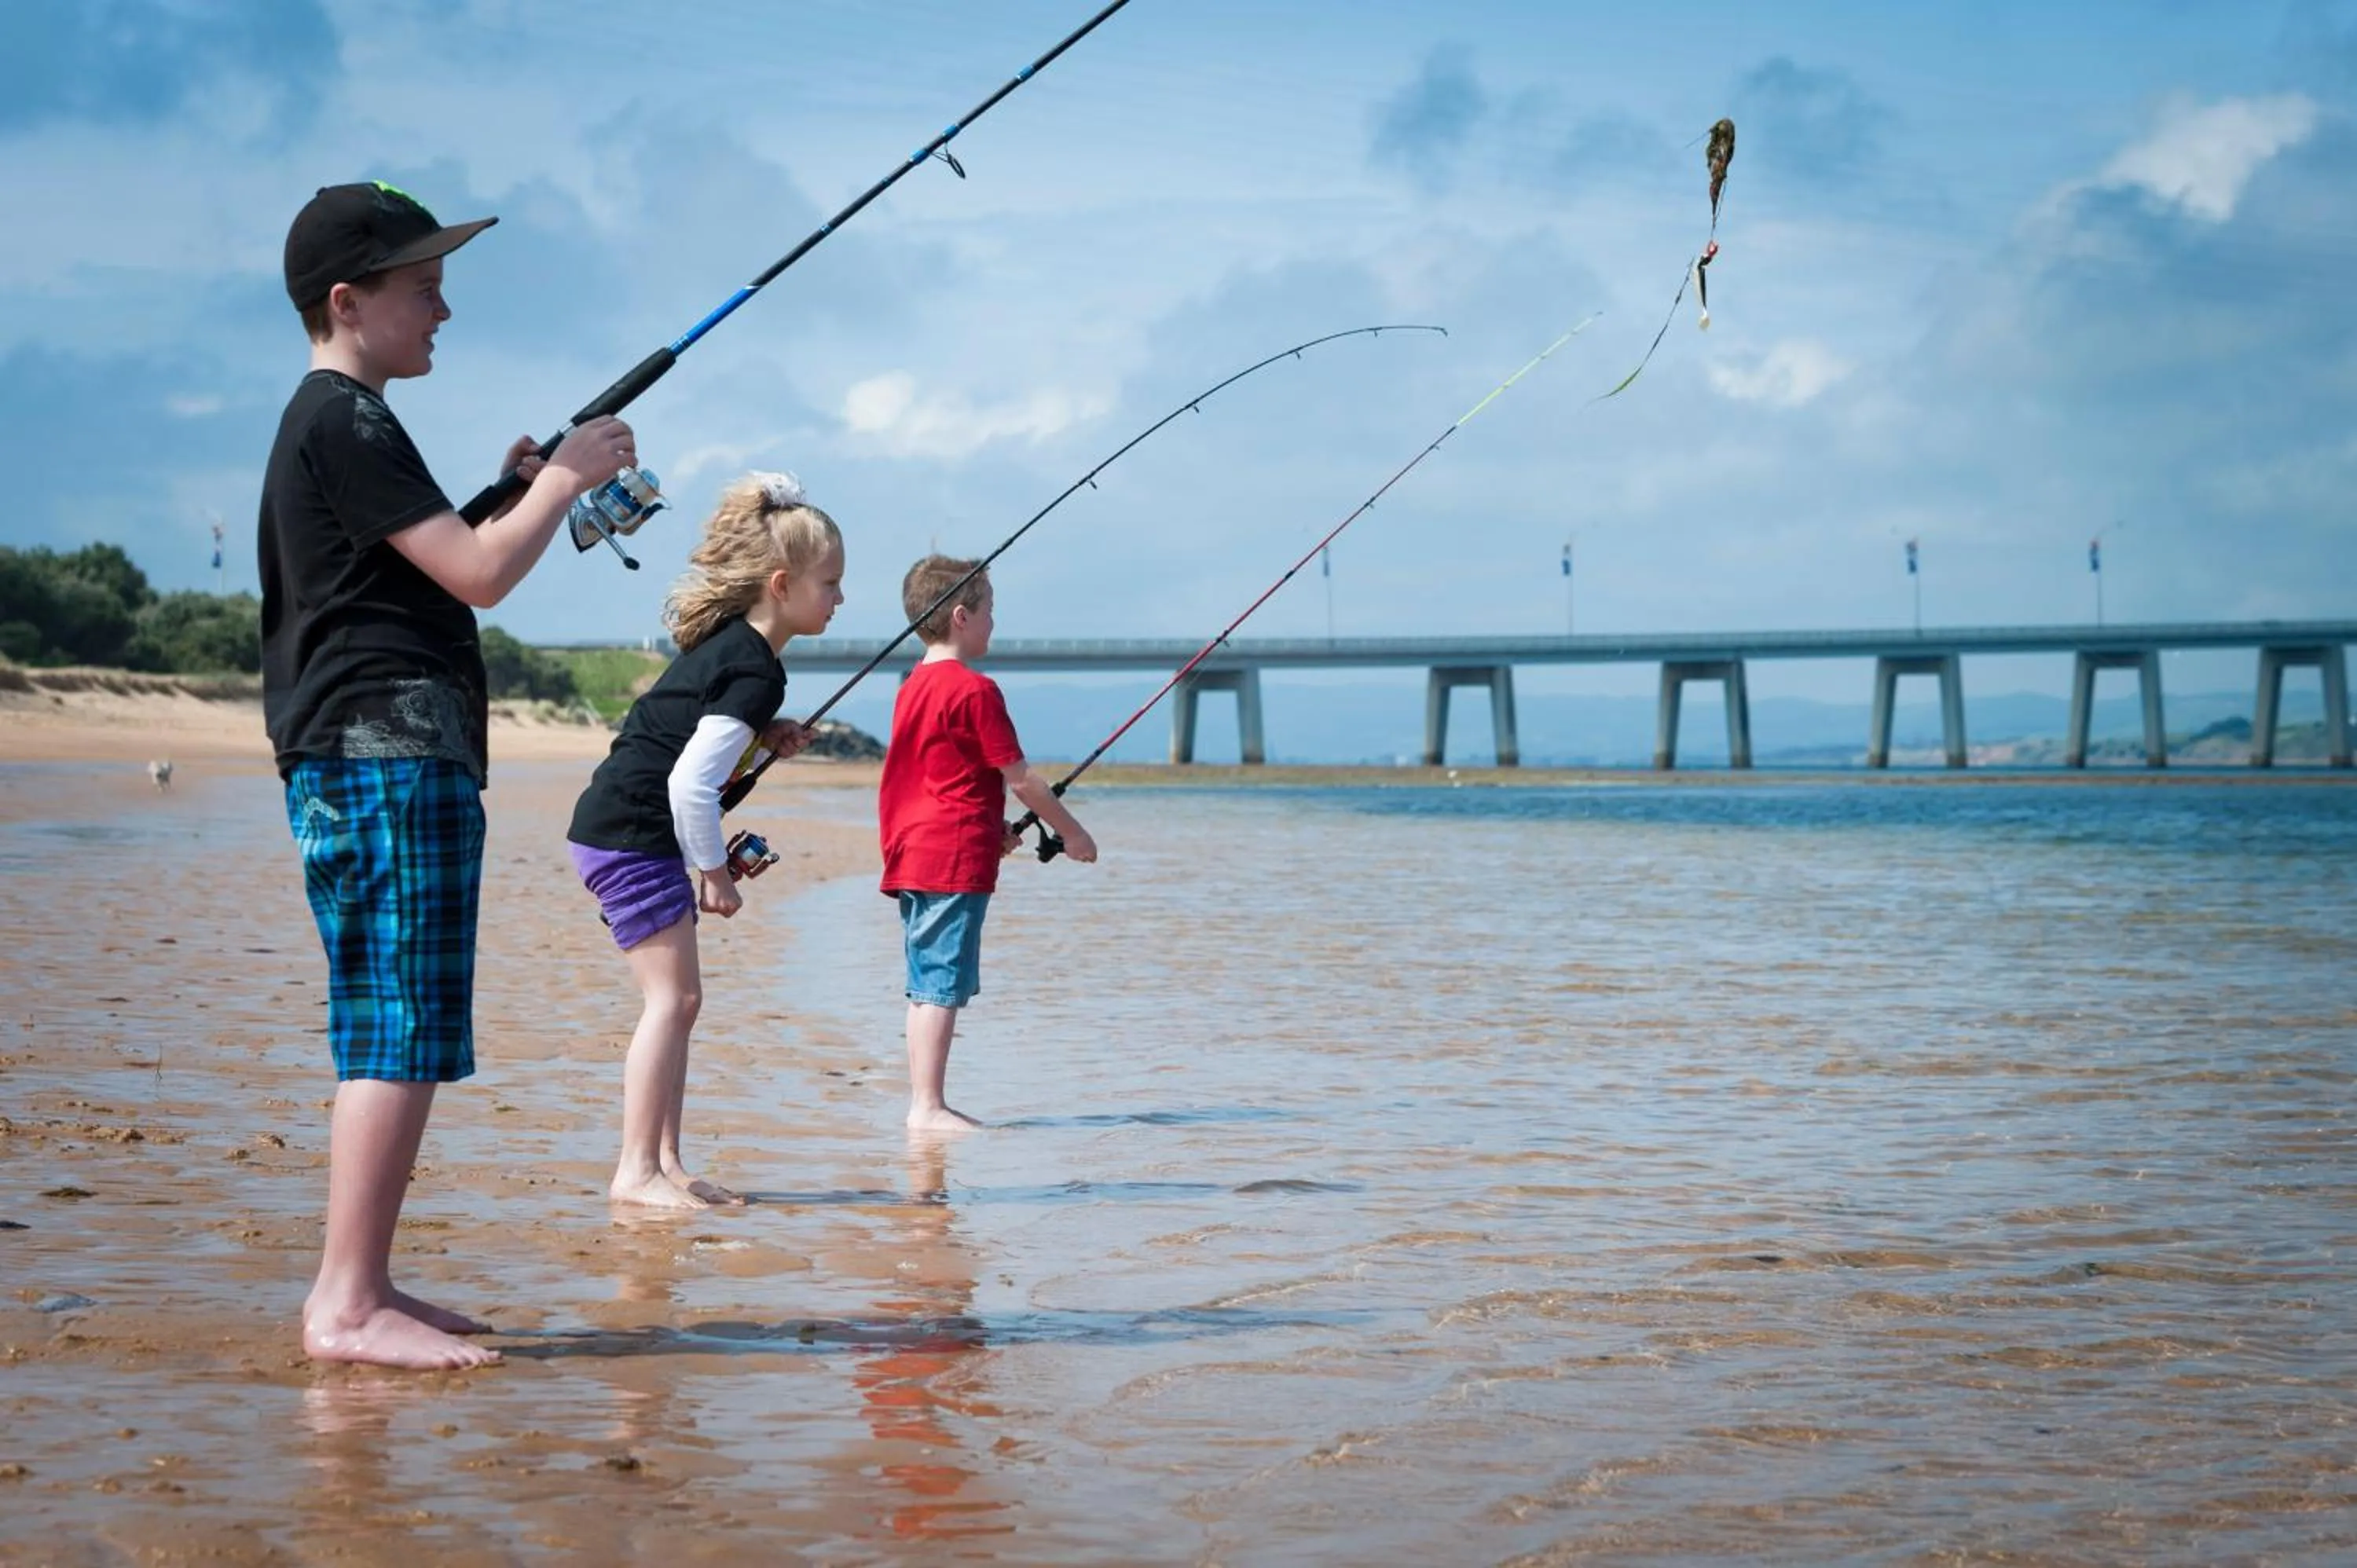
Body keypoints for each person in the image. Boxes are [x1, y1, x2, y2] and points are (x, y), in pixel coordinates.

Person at [261, 179, 636, 1369]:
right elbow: (478, 575)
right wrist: (565, 482)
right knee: (394, 1025)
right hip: (378, 754)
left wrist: (517, 485)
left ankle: (362, 1283)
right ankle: (345, 1306)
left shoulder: (349, 423)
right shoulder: (343, 418)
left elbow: (416, 561)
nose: (444, 309)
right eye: (423, 287)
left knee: (403, 1024)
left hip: (381, 752)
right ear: (347, 299)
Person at [566, 473, 845, 1208]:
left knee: (681, 1001)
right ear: (782, 585)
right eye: (831, 584)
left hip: (624, 826)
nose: (841, 599)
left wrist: (765, 738)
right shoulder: (755, 668)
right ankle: (636, 1173)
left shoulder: (743, 653)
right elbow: (690, 785)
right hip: (632, 833)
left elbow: (693, 736)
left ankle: (668, 1164)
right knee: (674, 1000)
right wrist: (714, 871)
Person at [877, 557, 1097, 1131]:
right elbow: (1019, 778)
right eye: (989, 612)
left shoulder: (911, 688)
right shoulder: (976, 691)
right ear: (960, 616)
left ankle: (926, 1101)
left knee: (926, 977)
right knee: (938, 983)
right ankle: (927, 1106)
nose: (994, 623)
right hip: (948, 858)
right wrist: (1071, 832)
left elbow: (937, 775)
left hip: (913, 848)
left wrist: (989, 829)